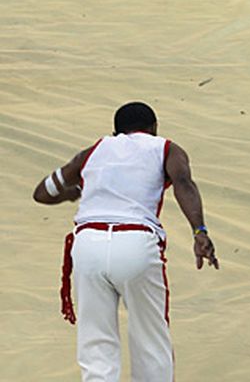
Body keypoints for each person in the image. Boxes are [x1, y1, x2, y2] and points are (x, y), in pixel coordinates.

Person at [33, 102, 218, 382]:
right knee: (150, 340)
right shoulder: (166, 148)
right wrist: (199, 231)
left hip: (88, 246)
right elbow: (183, 183)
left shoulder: (92, 152)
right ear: (154, 128)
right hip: (134, 243)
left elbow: (42, 193)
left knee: (96, 346)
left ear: (115, 132)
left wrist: (74, 192)